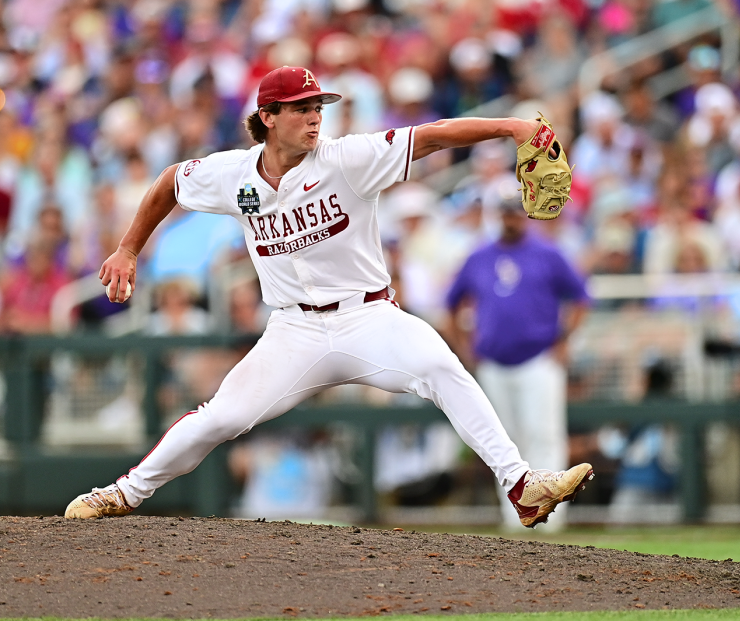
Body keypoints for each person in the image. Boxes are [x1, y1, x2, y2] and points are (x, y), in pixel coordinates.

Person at [65, 66, 594, 527]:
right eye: (301, 108)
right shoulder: (234, 174)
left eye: (318, 105)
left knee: (440, 365)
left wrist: (513, 127)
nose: (315, 116)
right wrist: (128, 249)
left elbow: (433, 135)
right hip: (294, 330)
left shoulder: (348, 158)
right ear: (268, 116)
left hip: (370, 318)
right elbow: (169, 182)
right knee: (222, 417)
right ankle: (123, 493)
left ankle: (521, 485)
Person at [445, 197, 590, 529]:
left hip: (538, 357)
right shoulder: (479, 256)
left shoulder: (548, 253)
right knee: (503, 440)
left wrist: (565, 341)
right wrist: (465, 347)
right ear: (499, 216)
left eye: (516, 212)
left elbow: (581, 297)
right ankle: (516, 516)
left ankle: (552, 518)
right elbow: (451, 303)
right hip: (494, 361)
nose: (511, 218)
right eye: (506, 212)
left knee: (544, 434)